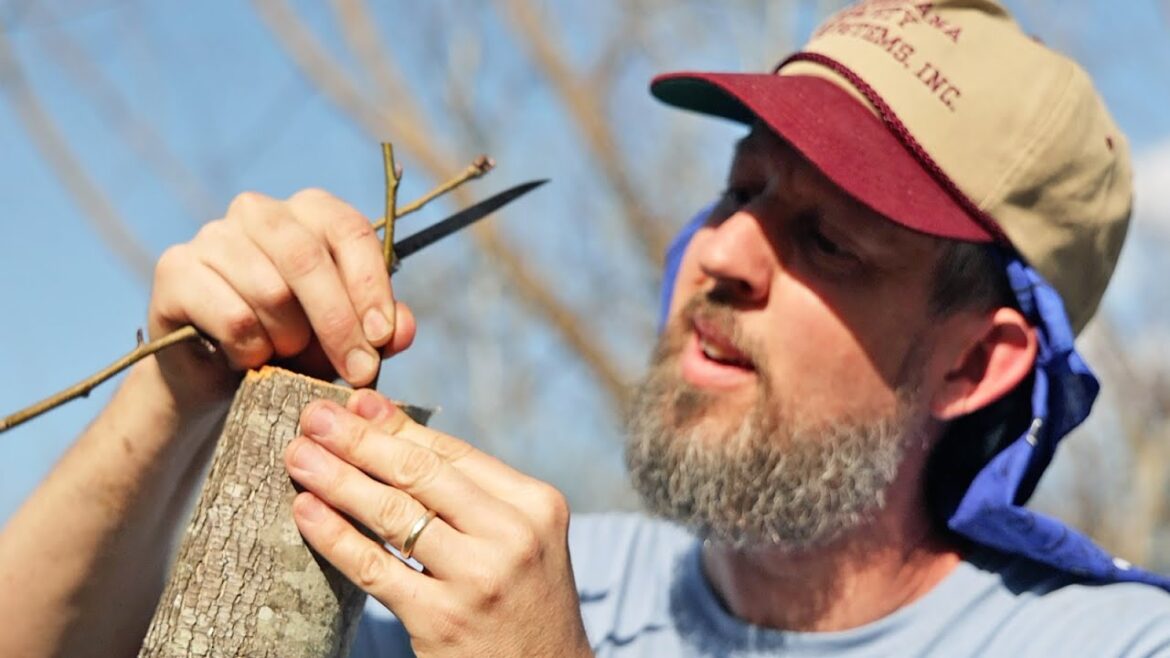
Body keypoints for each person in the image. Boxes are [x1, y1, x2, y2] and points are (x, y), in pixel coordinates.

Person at [2, 0, 1169, 656]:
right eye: (743, 190)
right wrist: (172, 395)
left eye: (829, 243)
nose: (723, 252)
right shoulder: (540, 583)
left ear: (974, 362)